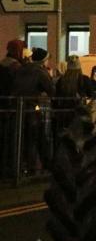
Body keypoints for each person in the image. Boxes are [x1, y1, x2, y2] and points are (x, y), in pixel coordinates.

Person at [12, 47, 54, 175]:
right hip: (32, 108)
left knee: (20, 138)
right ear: (43, 61)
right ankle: (34, 168)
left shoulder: (21, 68)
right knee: (35, 138)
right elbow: (51, 90)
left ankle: (18, 167)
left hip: (16, 108)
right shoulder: (40, 72)